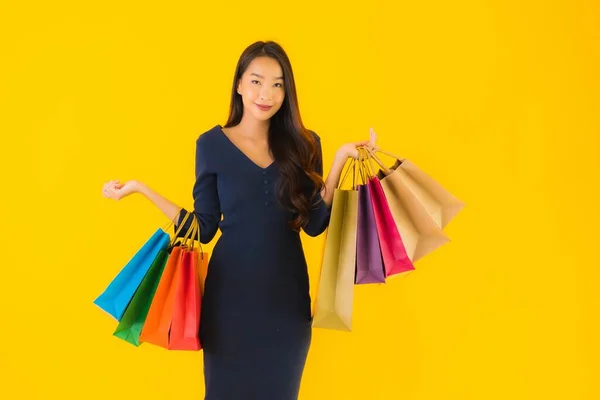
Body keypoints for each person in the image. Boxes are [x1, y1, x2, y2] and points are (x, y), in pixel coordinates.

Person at [101, 40, 377, 400]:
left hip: (286, 304)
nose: (267, 93)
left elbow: (314, 224)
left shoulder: (305, 144)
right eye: (257, 81)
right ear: (239, 84)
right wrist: (141, 189)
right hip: (228, 305)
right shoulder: (211, 144)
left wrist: (340, 158)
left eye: (278, 84)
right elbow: (203, 228)